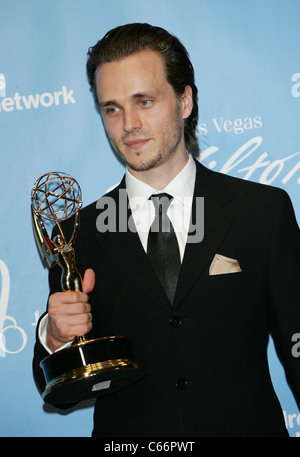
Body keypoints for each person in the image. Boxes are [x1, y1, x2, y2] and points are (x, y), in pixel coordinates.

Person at [33, 23, 300, 437]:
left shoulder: (261, 212)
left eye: (144, 101)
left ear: (185, 100)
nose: (129, 124)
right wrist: (55, 336)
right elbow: (59, 394)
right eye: (112, 108)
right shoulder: (75, 233)